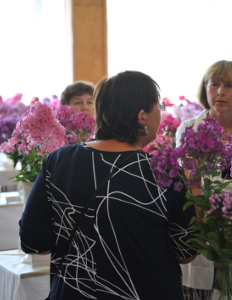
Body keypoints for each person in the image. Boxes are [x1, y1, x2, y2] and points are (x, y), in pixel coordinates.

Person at [19, 71, 199, 300]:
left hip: (75, 293)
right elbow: (187, 252)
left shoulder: (58, 161)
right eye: (158, 106)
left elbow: (33, 242)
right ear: (142, 116)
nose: (160, 113)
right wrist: (195, 186)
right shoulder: (163, 171)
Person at [176, 60, 232, 300]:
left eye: (229, 85)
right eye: (213, 84)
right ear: (205, 89)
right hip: (204, 232)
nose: (220, 91)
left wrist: (212, 186)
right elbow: (190, 186)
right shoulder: (189, 129)